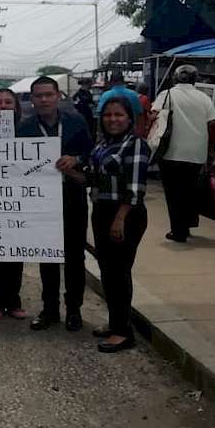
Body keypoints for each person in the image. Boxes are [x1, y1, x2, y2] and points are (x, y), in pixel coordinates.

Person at [20, 76, 94, 331]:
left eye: (48, 95)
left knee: (74, 256)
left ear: (58, 96)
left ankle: (74, 309)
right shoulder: (24, 128)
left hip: (73, 197)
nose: (43, 100)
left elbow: (92, 152)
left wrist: (76, 159)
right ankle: (49, 309)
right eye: (38, 96)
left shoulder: (76, 122)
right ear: (32, 99)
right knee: (47, 255)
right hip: (41, 202)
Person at [84, 96, 150, 352]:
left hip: (125, 215)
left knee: (119, 272)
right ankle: (115, 323)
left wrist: (120, 219)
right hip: (101, 211)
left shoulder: (135, 145)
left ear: (130, 118)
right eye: (108, 115)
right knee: (108, 271)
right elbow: (91, 178)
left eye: (119, 114)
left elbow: (135, 189)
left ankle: (123, 332)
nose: (113, 119)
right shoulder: (103, 144)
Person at [151, 64, 215, 243]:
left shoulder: (166, 94)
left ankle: (178, 231)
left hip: (171, 152)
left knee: (173, 192)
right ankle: (186, 226)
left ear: (174, 78)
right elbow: (213, 125)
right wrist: (211, 151)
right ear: (195, 79)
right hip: (196, 153)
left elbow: (153, 115)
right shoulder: (204, 98)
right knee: (190, 190)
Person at [0, 88, 29, 320]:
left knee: (15, 250)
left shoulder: (27, 130)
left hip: (18, 198)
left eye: (8, 102)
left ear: (16, 106)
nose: (3, 106)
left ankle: (13, 301)